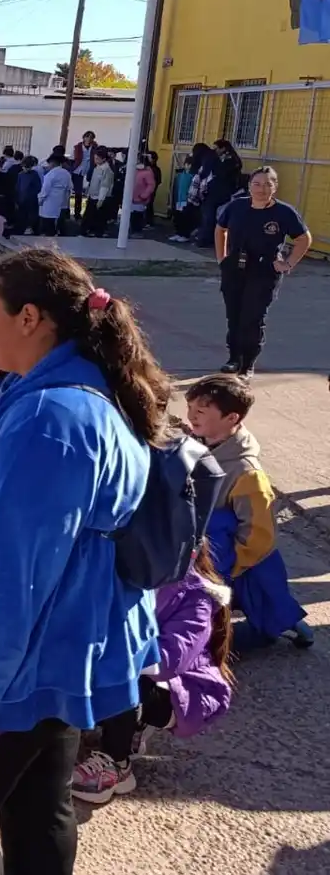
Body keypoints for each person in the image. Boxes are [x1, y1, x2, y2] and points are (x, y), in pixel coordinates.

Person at [0, 247, 167, 875]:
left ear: (29, 318)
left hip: (21, 665)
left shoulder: (51, 416)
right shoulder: (77, 387)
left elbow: (17, 578)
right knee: (37, 807)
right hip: (63, 651)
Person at [70, 550, 234, 806]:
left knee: (121, 676)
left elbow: (168, 662)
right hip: (145, 674)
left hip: (184, 690)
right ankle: (122, 729)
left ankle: (117, 762)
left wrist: (104, 654)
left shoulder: (196, 596)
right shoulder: (126, 572)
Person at [187, 374, 314, 650]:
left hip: (243, 560)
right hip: (213, 548)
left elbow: (259, 535)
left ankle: (291, 627)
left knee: (267, 616)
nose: (191, 416)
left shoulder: (247, 473)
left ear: (232, 418)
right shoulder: (199, 445)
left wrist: (229, 568)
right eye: (190, 407)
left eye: (201, 411)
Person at [214, 166, 312, 378]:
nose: (261, 189)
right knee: (234, 316)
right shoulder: (236, 206)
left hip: (264, 270)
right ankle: (234, 359)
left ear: (275, 187)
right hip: (235, 268)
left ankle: (247, 364)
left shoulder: (284, 212)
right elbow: (220, 229)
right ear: (249, 186)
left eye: (268, 184)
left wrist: (288, 263)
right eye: (257, 184)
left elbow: (304, 239)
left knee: (253, 317)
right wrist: (222, 258)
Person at [80, 148, 114, 237]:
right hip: (93, 195)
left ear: (104, 159)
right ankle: (88, 231)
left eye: (97, 159)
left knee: (98, 217)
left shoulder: (106, 170)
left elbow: (105, 186)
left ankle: (97, 232)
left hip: (100, 197)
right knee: (90, 215)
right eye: (95, 158)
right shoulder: (97, 168)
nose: (95, 160)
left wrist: (101, 199)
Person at [37, 154, 72, 236]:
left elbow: (45, 189)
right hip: (62, 201)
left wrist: (40, 199)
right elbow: (70, 187)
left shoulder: (50, 175)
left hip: (50, 202)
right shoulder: (66, 173)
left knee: (48, 224)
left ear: (52, 163)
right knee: (59, 222)